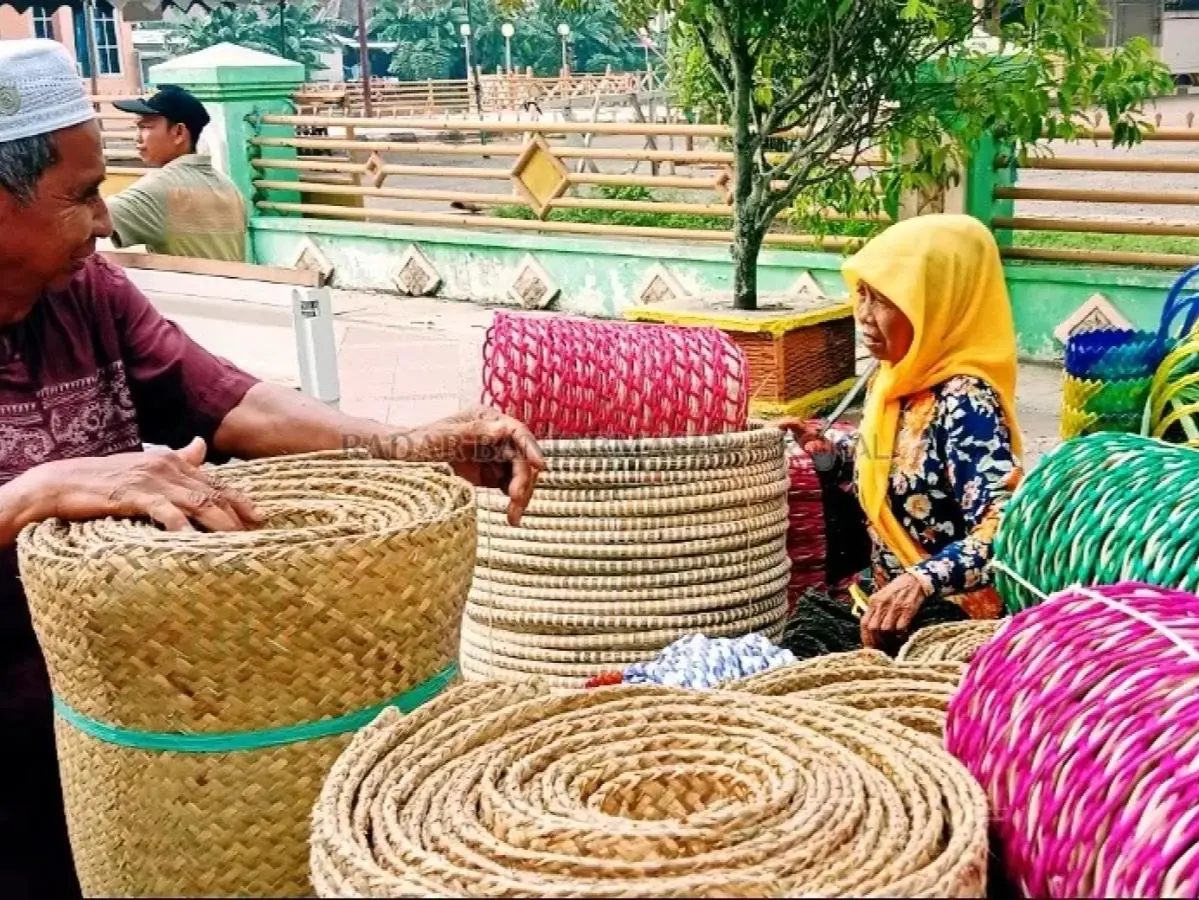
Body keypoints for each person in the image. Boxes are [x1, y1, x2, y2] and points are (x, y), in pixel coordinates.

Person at [0, 40, 544, 898]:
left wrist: (401, 446)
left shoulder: (87, 292)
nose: (105, 221)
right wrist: (37, 492)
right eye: (82, 195)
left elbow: (230, 403)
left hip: (110, 729)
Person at [781, 214, 1024, 653]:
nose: (863, 316)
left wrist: (920, 581)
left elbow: (1008, 530)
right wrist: (828, 452)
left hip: (951, 629)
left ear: (937, 304)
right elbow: (899, 469)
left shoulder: (966, 401)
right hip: (888, 612)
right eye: (861, 294)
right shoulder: (895, 381)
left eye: (883, 300)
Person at [105, 84, 246, 261]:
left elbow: (88, 218)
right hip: (232, 279)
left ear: (179, 132)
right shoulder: (228, 186)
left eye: (146, 127)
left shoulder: (160, 187)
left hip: (187, 280)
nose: (137, 137)